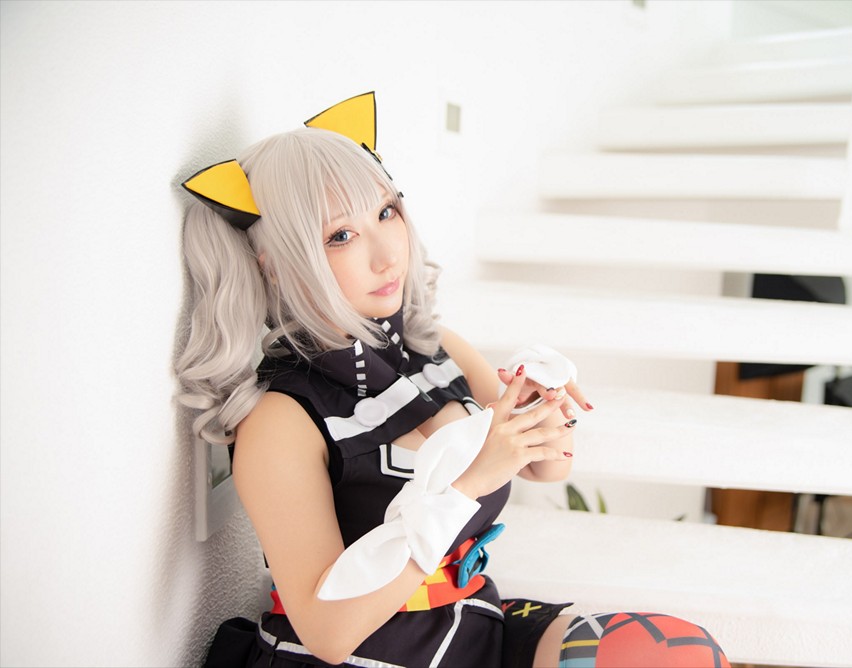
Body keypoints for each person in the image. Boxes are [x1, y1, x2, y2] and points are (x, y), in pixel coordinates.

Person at [177, 92, 730, 668]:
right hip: (373, 653)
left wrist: (544, 408)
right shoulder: (283, 417)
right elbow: (328, 633)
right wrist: (467, 485)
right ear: (272, 264)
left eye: (386, 212)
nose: (387, 255)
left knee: (674, 654)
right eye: (340, 236)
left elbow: (548, 467)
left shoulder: (435, 348)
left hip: (472, 620)